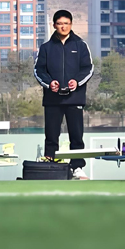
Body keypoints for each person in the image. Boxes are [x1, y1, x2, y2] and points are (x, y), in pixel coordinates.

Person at [33, 10, 94, 179]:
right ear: (54, 25)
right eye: (60, 23)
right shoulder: (46, 47)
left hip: (75, 98)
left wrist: (77, 82)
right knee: (51, 136)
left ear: (71, 25)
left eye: (66, 23)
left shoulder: (81, 45)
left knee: (76, 135)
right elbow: (38, 71)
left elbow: (88, 69)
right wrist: (49, 83)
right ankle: (51, 166)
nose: (63, 27)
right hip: (52, 100)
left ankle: (77, 167)